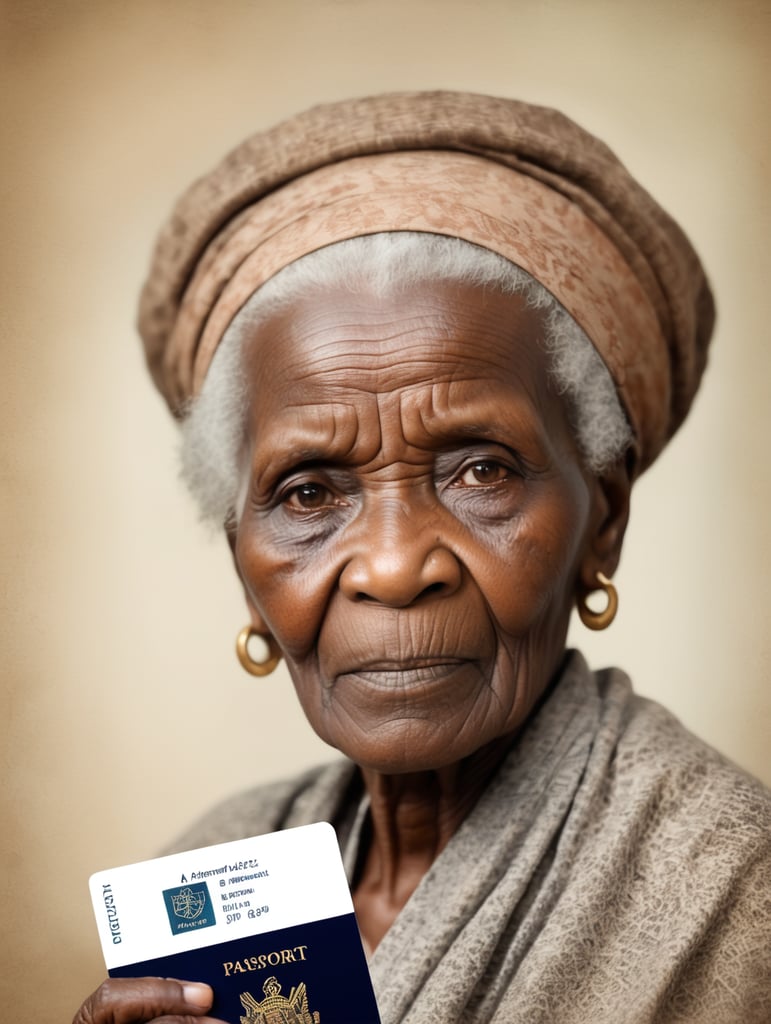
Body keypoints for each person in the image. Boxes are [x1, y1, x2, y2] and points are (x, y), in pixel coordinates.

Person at [73, 92, 770, 1024]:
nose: (396, 567)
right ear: (242, 563)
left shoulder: (736, 892)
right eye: (309, 492)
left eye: (482, 470)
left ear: (602, 518)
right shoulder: (209, 865)